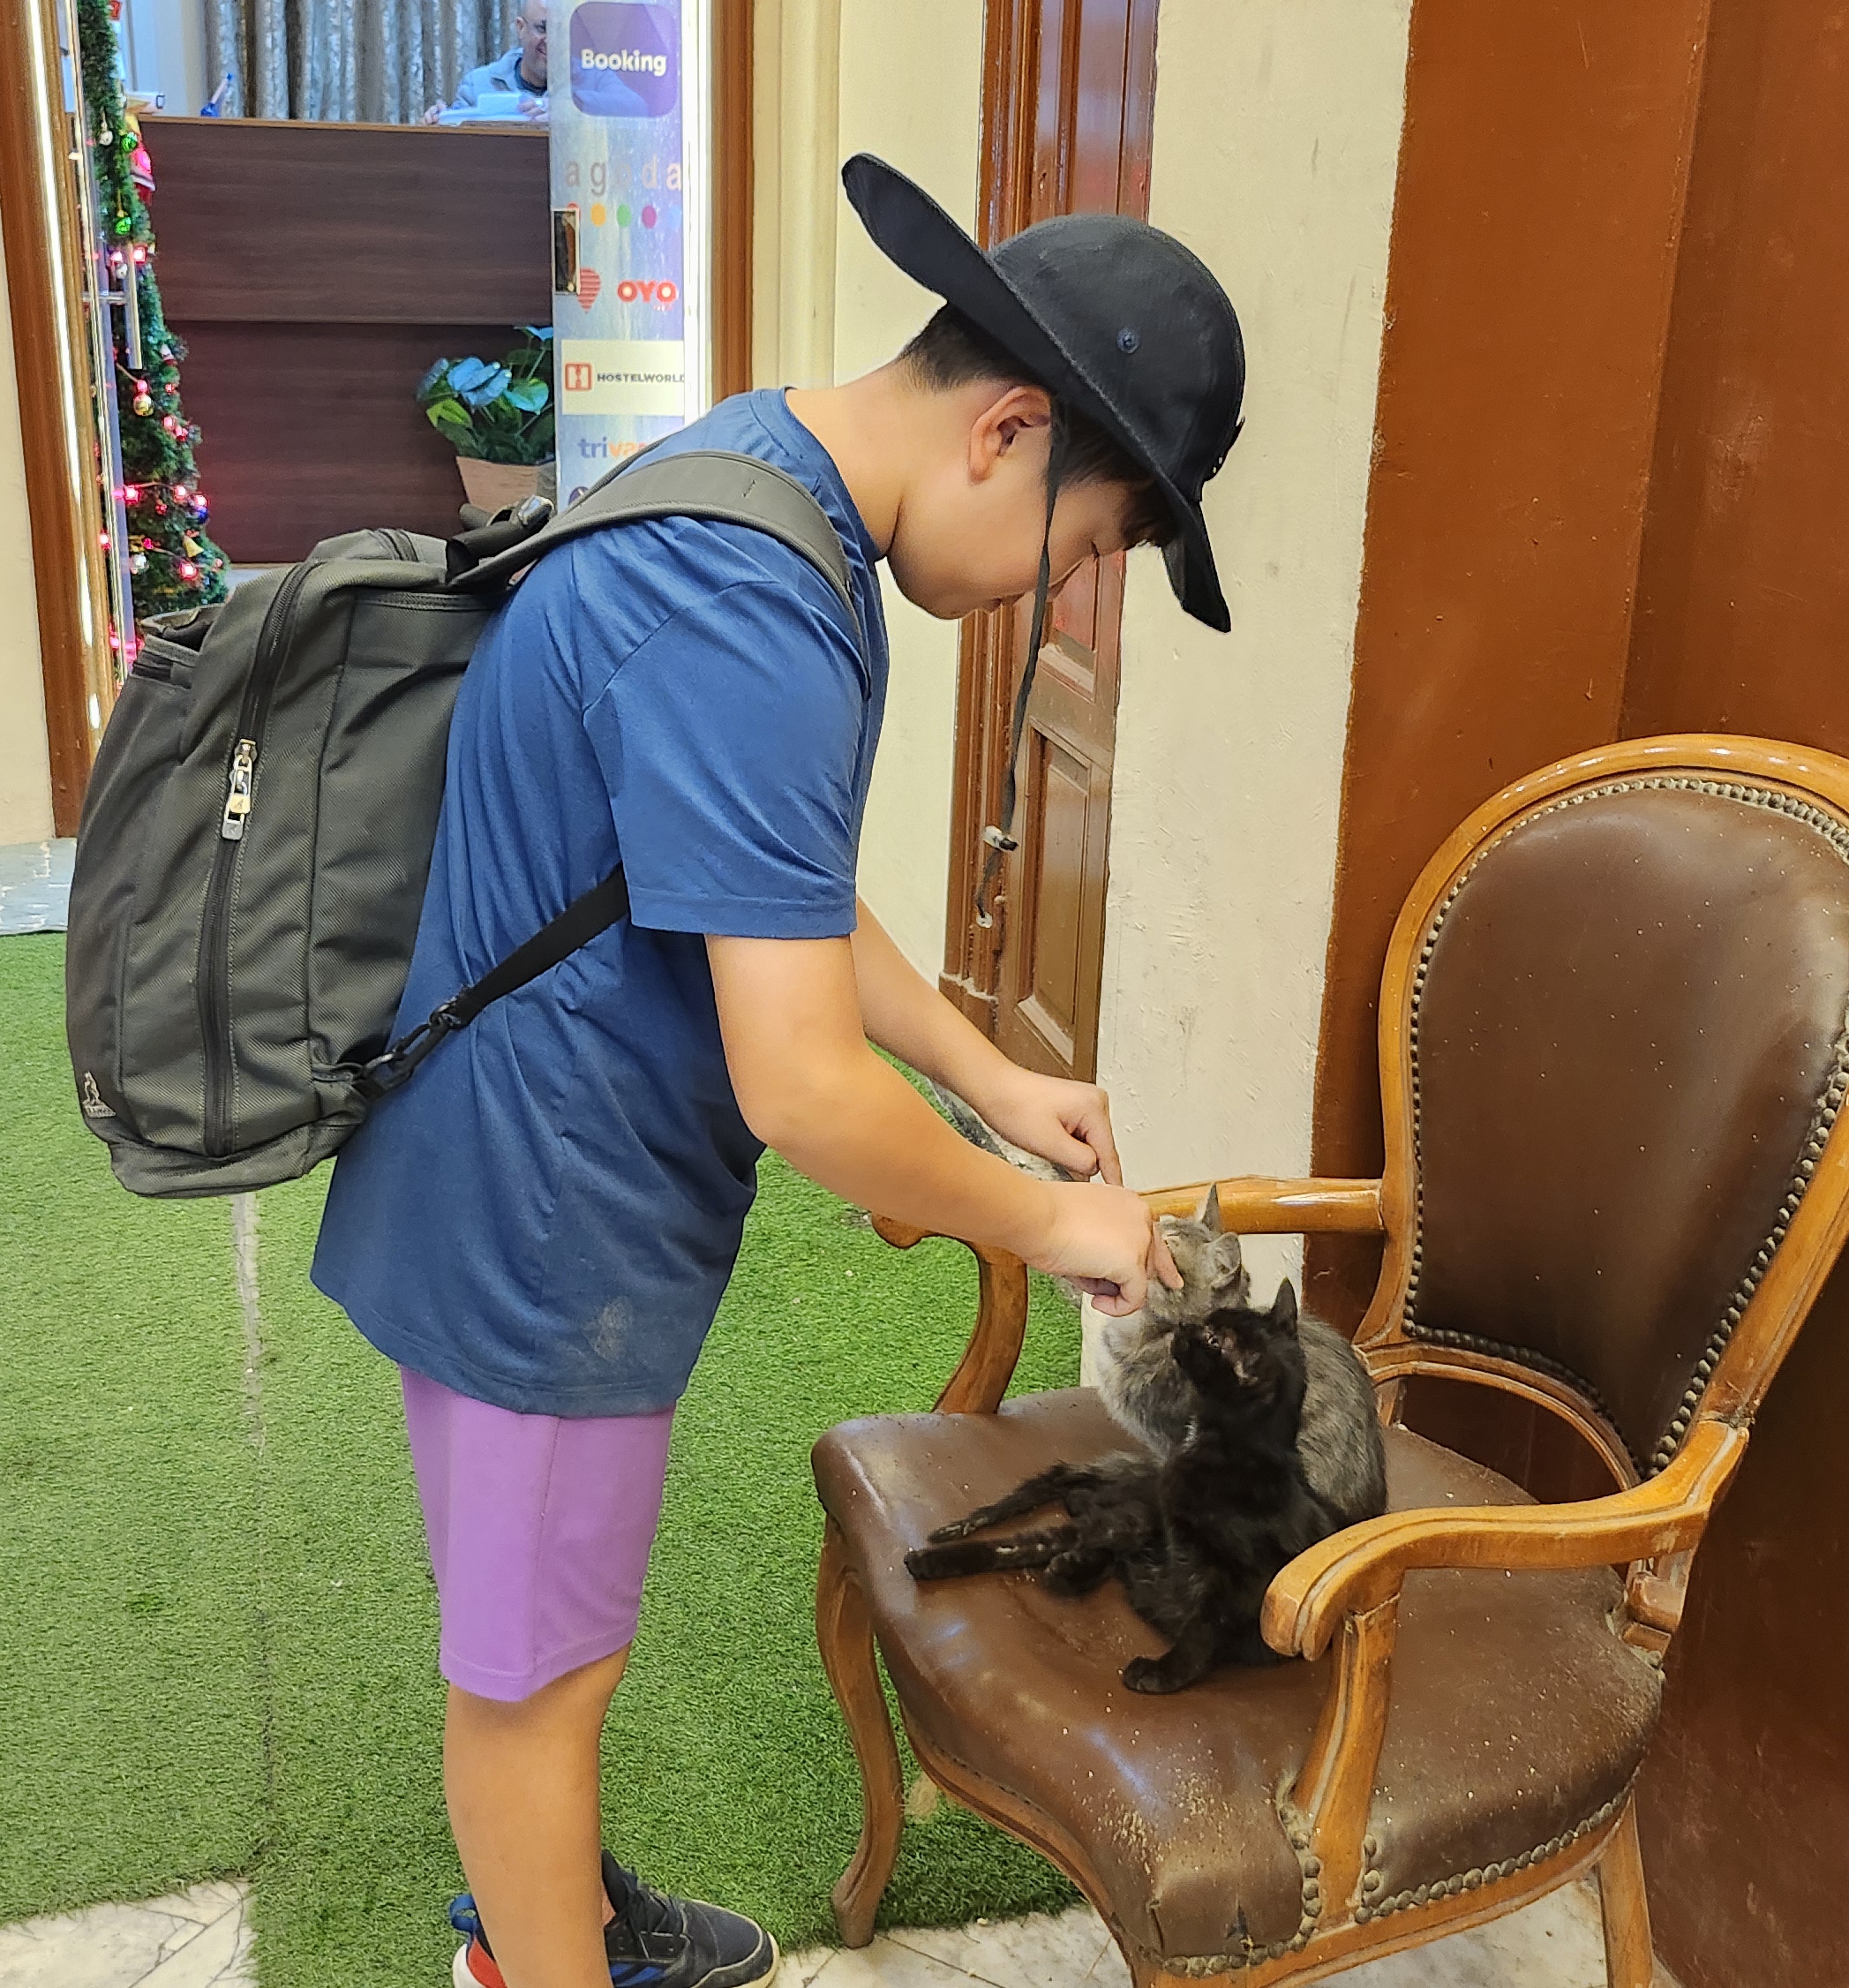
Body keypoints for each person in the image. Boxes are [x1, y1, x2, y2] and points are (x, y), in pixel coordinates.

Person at [311, 153, 1248, 1988]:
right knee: (533, 1685)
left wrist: (985, 1070)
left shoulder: (766, 479)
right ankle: (532, 1958)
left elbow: (771, 885)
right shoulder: (753, 604)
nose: (1051, 597)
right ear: (1007, 431)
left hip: (531, 1172)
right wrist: (1057, 1221)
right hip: (542, 1220)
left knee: (540, 1644)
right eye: (1076, 551)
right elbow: (803, 1088)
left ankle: (564, 1917)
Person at [425, 0, 552, 123]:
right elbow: (456, 132)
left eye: (559, 30)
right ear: (521, 28)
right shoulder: (478, 84)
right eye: (543, 28)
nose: (552, 40)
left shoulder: (565, 99)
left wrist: (560, 116)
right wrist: (439, 122)